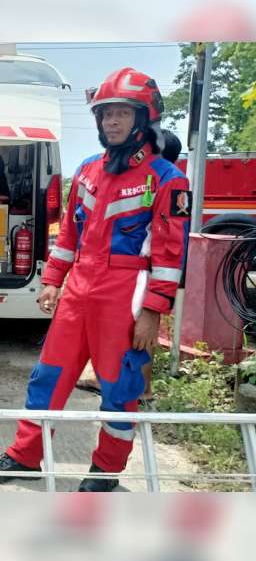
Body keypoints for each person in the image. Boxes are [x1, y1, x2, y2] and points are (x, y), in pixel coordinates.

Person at [0, 67, 191, 492]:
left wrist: (152, 313)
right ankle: (25, 456)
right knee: (48, 377)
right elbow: (69, 234)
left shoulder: (167, 179)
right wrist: (53, 279)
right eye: (105, 114)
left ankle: (106, 469)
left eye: (121, 114)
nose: (111, 121)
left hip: (126, 297)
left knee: (119, 387)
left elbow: (170, 256)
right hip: (78, 289)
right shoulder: (88, 170)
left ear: (144, 119)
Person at [74, 129, 185, 405]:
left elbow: (168, 243)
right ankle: (127, 385)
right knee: (139, 332)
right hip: (147, 273)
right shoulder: (160, 181)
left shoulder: (166, 183)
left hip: (146, 273)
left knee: (140, 332)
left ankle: (140, 390)